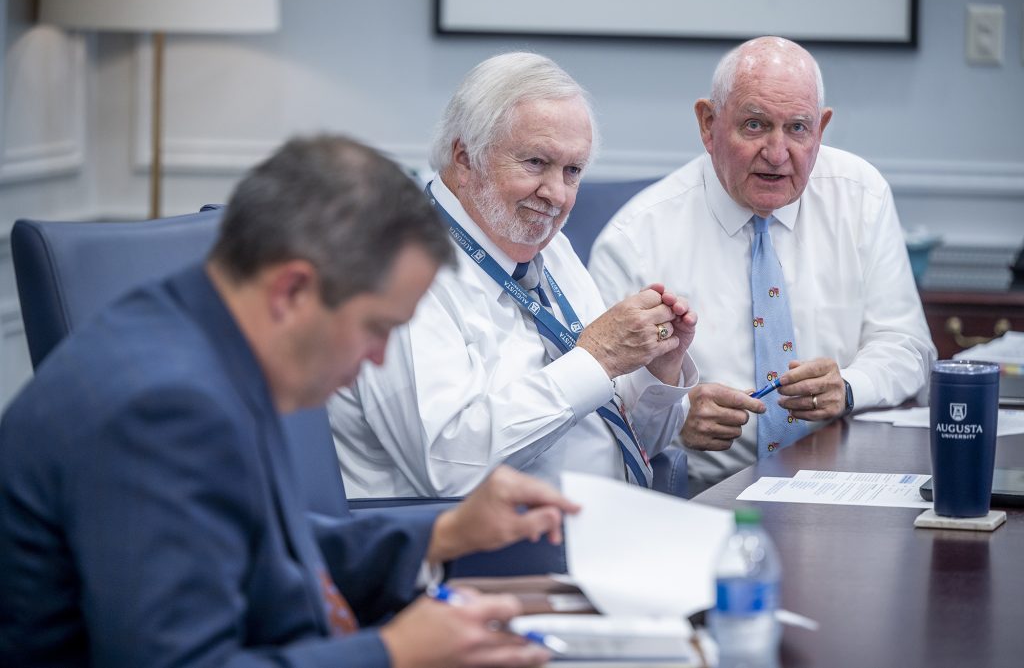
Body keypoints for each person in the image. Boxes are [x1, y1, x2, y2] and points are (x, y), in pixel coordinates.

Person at [0, 135, 581, 668]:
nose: (378, 358)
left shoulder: (198, 332)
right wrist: (393, 653)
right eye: (375, 327)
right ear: (292, 290)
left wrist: (442, 532)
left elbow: (261, 548)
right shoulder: (164, 407)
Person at [329, 52, 699, 498]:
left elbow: (626, 443)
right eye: (536, 163)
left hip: (601, 524)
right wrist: (597, 359)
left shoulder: (549, 246)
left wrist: (656, 375)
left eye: (573, 171)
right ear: (464, 157)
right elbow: (448, 468)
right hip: (472, 551)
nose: (557, 194)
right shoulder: (393, 267)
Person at [589, 36, 936, 494]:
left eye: (797, 128)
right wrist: (677, 418)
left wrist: (848, 387)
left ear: (821, 129)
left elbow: (907, 346)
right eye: (755, 125)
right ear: (708, 124)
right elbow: (598, 404)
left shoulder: (860, 195)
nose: (777, 153)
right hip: (707, 495)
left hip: (846, 477)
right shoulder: (635, 238)